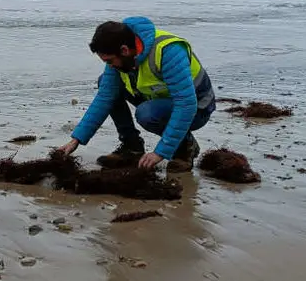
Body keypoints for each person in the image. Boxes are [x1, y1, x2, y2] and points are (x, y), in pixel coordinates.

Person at [58, 17, 215, 172]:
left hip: (198, 108)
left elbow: (186, 104)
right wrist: (76, 139)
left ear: (124, 50)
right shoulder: (121, 53)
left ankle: (184, 147)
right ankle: (131, 147)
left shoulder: (169, 51)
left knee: (146, 113)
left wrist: (161, 152)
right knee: (104, 82)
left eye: (109, 61)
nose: (110, 66)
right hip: (158, 100)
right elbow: (105, 98)